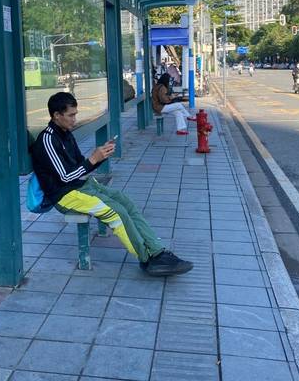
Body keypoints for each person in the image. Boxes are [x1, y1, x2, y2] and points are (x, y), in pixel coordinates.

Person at [31, 92, 193, 276]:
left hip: (81, 185)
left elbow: (80, 164)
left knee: (126, 202)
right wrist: (93, 159)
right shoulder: (47, 140)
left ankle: (157, 250)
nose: (74, 119)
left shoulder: (66, 134)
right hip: (65, 195)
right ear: (56, 115)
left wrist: (100, 156)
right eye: (71, 115)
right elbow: (65, 177)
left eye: (75, 114)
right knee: (117, 212)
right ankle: (147, 258)